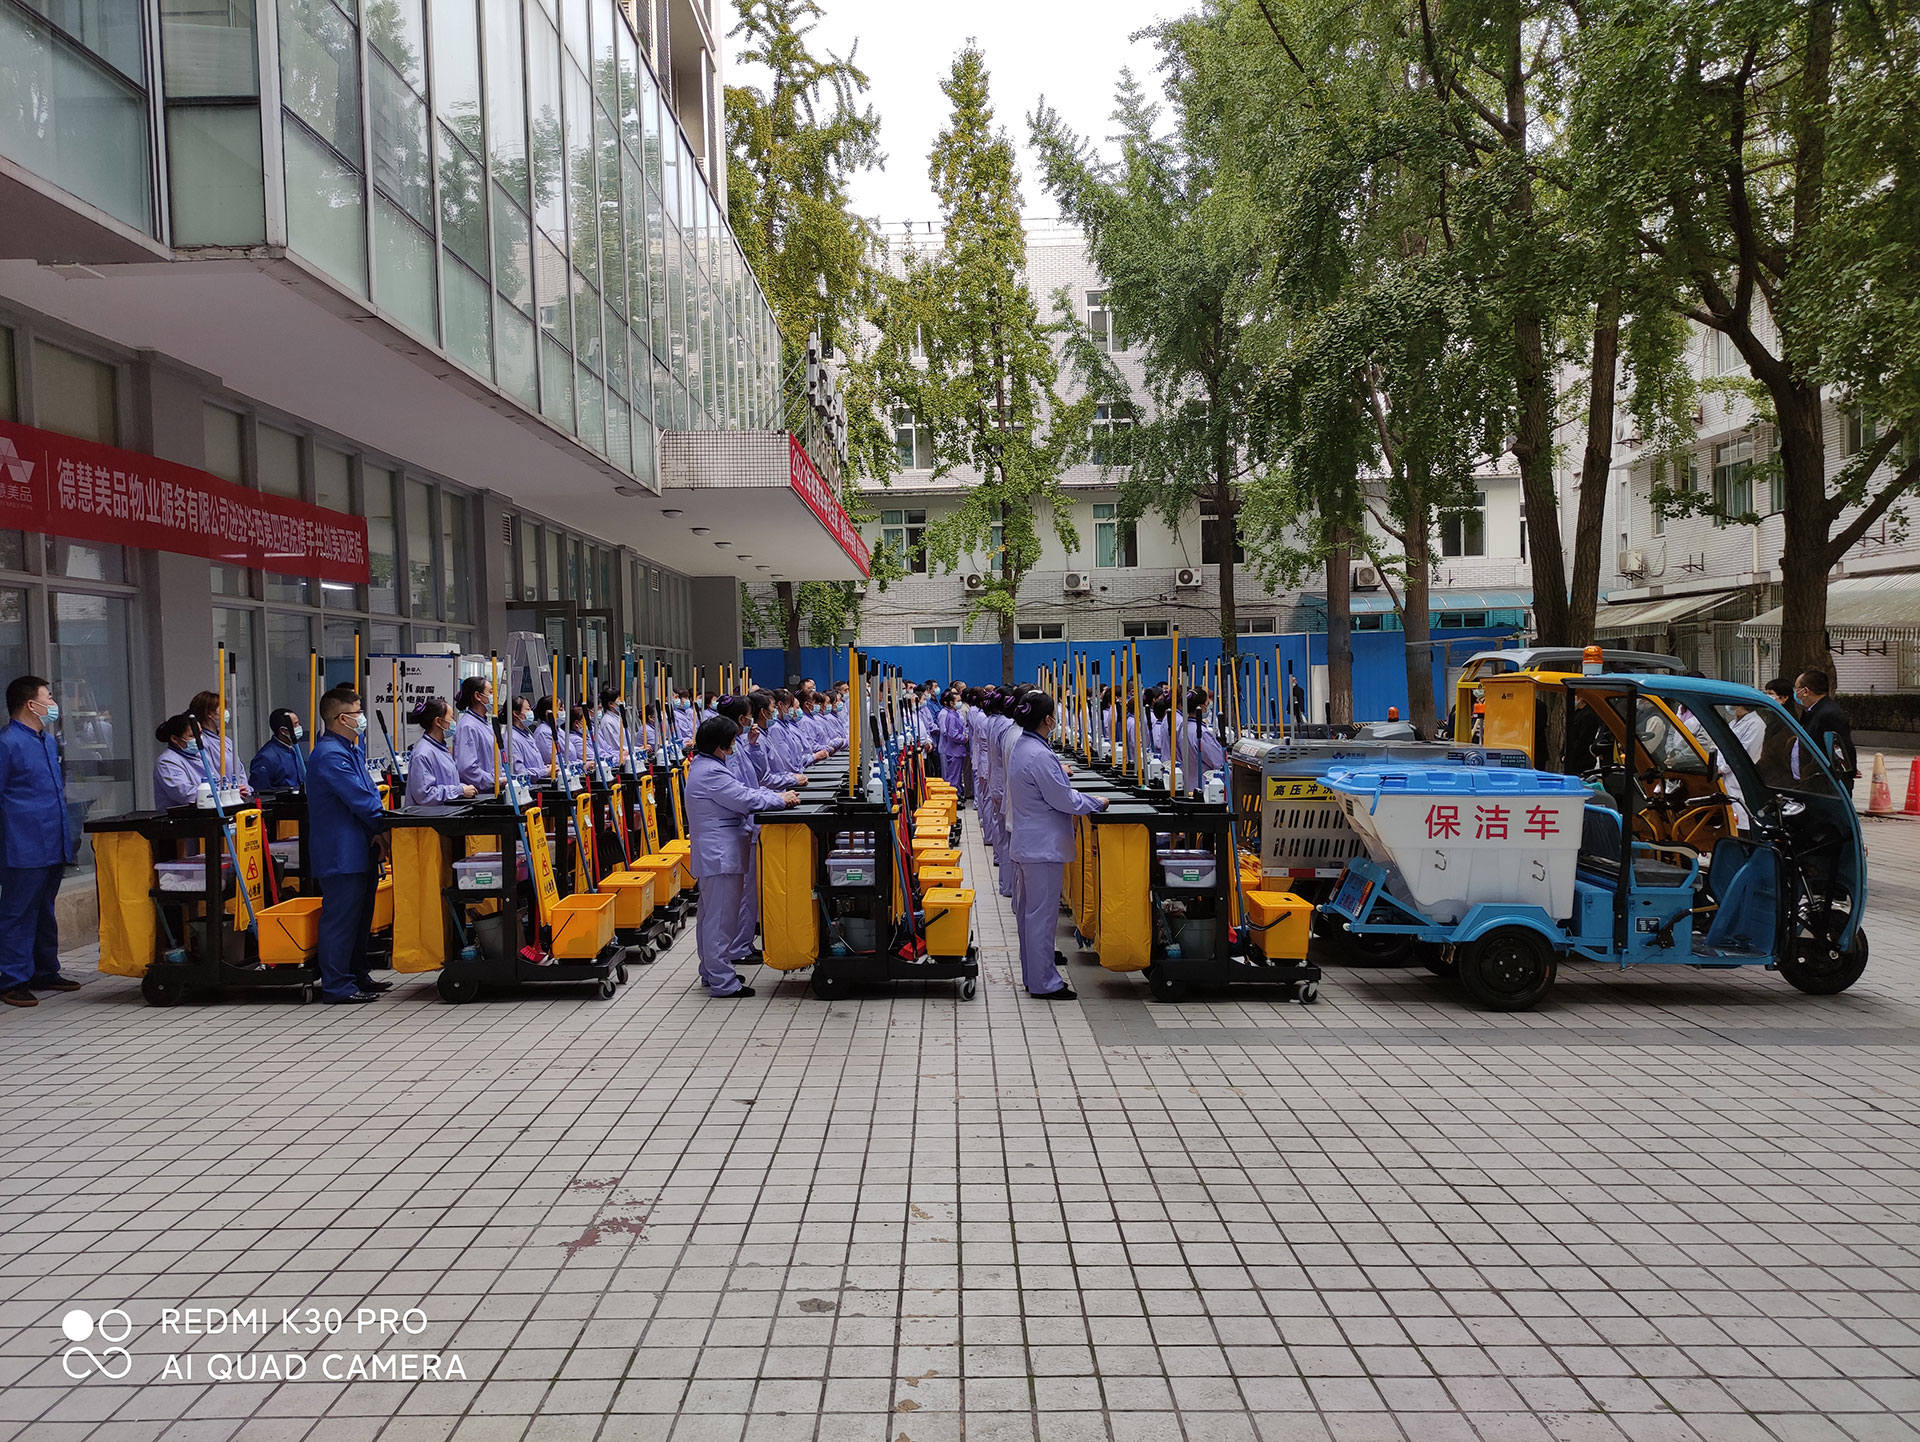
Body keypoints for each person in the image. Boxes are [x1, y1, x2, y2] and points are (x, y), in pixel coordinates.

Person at [1003, 690, 1108, 999]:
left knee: (1031, 914)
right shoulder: (1039, 754)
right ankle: (1044, 982)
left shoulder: (1025, 746)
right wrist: (1096, 802)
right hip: (1042, 847)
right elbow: (1063, 799)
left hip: (1030, 843)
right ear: (1047, 719)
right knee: (1041, 916)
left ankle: (1034, 975)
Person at [684, 715, 796, 998]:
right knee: (721, 920)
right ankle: (723, 982)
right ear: (720, 745)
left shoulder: (705, 765)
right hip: (720, 855)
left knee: (711, 918)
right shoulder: (712, 772)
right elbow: (744, 798)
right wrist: (779, 799)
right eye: (732, 741)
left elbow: (743, 791)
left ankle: (712, 972)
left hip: (715, 854)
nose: (735, 745)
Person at [305, 686, 391, 1003]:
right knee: (341, 920)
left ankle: (357, 975)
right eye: (358, 712)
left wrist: (378, 832)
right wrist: (384, 826)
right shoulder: (329, 754)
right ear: (342, 718)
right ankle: (337, 985)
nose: (362, 718)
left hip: (361, 845)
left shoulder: (350, 749)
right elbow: (359, 799)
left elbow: (368, 793)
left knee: (360, 918)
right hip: (340, 851)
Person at [0, 676, 78, 1006]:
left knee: (45, 908)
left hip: (53, 838)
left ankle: (45, 970)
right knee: (17, 911)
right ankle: (11, 978)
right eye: (49, 697)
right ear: (31, 704)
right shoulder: (7, 743)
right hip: (22, 842)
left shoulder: (46, 741)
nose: (53, 703)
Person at [406, 698, 475, 805]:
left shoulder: (440, 748)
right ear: (438, 721)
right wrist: (459, 791)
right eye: (451, 718)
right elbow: (424, 794)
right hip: (429, 814)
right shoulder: (423, 753)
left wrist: (462, 787)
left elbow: (447, 782)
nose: (454, 722)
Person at [187, 689, 251, 799]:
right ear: (209, 714)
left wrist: (245, 789)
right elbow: (209, 773)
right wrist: (230, 789)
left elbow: (239, 769)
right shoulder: (202, 743)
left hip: (238, 796)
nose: (226, 712)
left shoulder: (226, 740)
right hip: (224, 797)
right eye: (222, 709)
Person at [1795, 670, 1857, 782]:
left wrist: (1845, 774)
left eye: (1796, 688)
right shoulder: (1812, 711)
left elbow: (1843, 749)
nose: (1795, 693)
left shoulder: (1829, 714)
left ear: (1805, 691)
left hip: (1825, 781)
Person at [452, 675, 498, 792]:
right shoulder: (468, 726)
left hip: (492, 788)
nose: (495, 697)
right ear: (478, 696)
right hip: (478, 792)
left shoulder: (484, 723)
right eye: (490, 692)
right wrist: (494, 780)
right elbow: (466, 767)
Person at [153, 714, 207, 809]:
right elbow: (186, 795)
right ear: (174, 739)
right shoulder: (166, 762)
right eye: (192, 736)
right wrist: (216, 794)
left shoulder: (199, 755)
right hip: (181, 816)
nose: (199, 739)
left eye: (200, 734)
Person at [249, 709, 307, 793]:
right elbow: (260, 791)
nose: (299, 727)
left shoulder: (293, 749)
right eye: (295, 725)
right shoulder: (266, 757)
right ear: (283, 731)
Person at [939, 687, 970, 799]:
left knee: (956, 776)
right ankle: (951, 798)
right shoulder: (951, 716)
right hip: (954, 750)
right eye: (958, 701)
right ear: (951, 703)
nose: (960, 703)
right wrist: (964, 738)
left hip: (957, 750)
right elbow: (952, 734)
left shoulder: (955, 714)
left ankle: (955, 796)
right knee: (953, 777)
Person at [508, 696, 545, 778]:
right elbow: (519, 772)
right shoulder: (511, 738)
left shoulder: (527, 735)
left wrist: (545, 768)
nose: (531, 712)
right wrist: (543, 772)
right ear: (516, 713)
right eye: (528, 709)